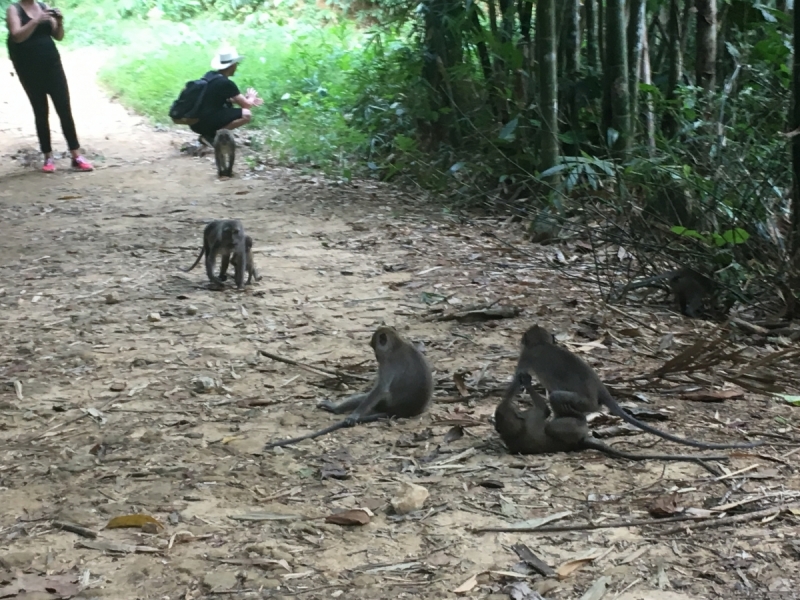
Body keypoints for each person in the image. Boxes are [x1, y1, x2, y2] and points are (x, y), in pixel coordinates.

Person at [5, 1, 92, 173]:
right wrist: (36, 20)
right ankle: (48, 156)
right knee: (40, 110)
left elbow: (58, 36)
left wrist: (59, 22)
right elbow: (17, 36)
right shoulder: (13, 9)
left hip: (52, 64)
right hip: (28, 68)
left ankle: (76, 155)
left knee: (64, 108)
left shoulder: (43, 6)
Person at [190, 47, 264, 147]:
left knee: (229, 108)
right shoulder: (226, 83)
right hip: (207, 123)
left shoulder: (210, 75)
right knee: (246, 114)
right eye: (236, 64)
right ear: (232, 65)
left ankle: (209, 135)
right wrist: (251, 98)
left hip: (195, 123)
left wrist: (245, 99)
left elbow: (220, 98)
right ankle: (213, 136)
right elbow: (246, 106)